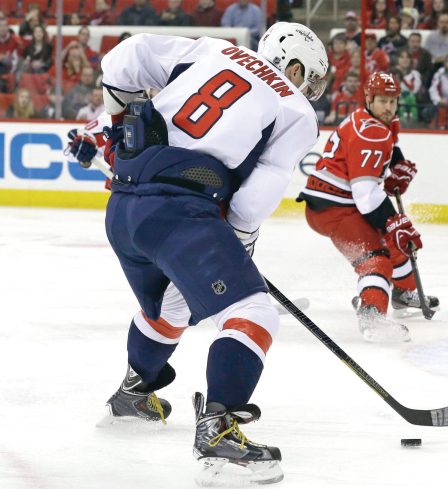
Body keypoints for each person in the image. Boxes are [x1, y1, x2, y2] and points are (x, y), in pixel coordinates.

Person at [65, 23, 328, 484]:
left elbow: (124, 58)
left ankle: (133, 394)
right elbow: (253, 200)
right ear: (293, 65)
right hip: (179, 212)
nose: (309, 88)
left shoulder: (212, 50)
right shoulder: (295, 108)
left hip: (124, 207)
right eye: (310, 76)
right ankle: (218, 435)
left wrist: (116, 125)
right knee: (254, 312)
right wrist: (239, 246)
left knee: (172, 305)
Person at [297, 72, 437, 343]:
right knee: (377, 257)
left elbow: (392, 147)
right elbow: (365, 194)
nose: (389, 107)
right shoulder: (369, 131)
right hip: (333, 208)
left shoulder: (380, 120)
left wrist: (396, 167)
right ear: (369, 99)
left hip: (339, 200)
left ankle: (402, 294)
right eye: (382, 100)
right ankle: (371, 315)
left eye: (393, 101)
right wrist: (393, 222)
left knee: (395, 242)